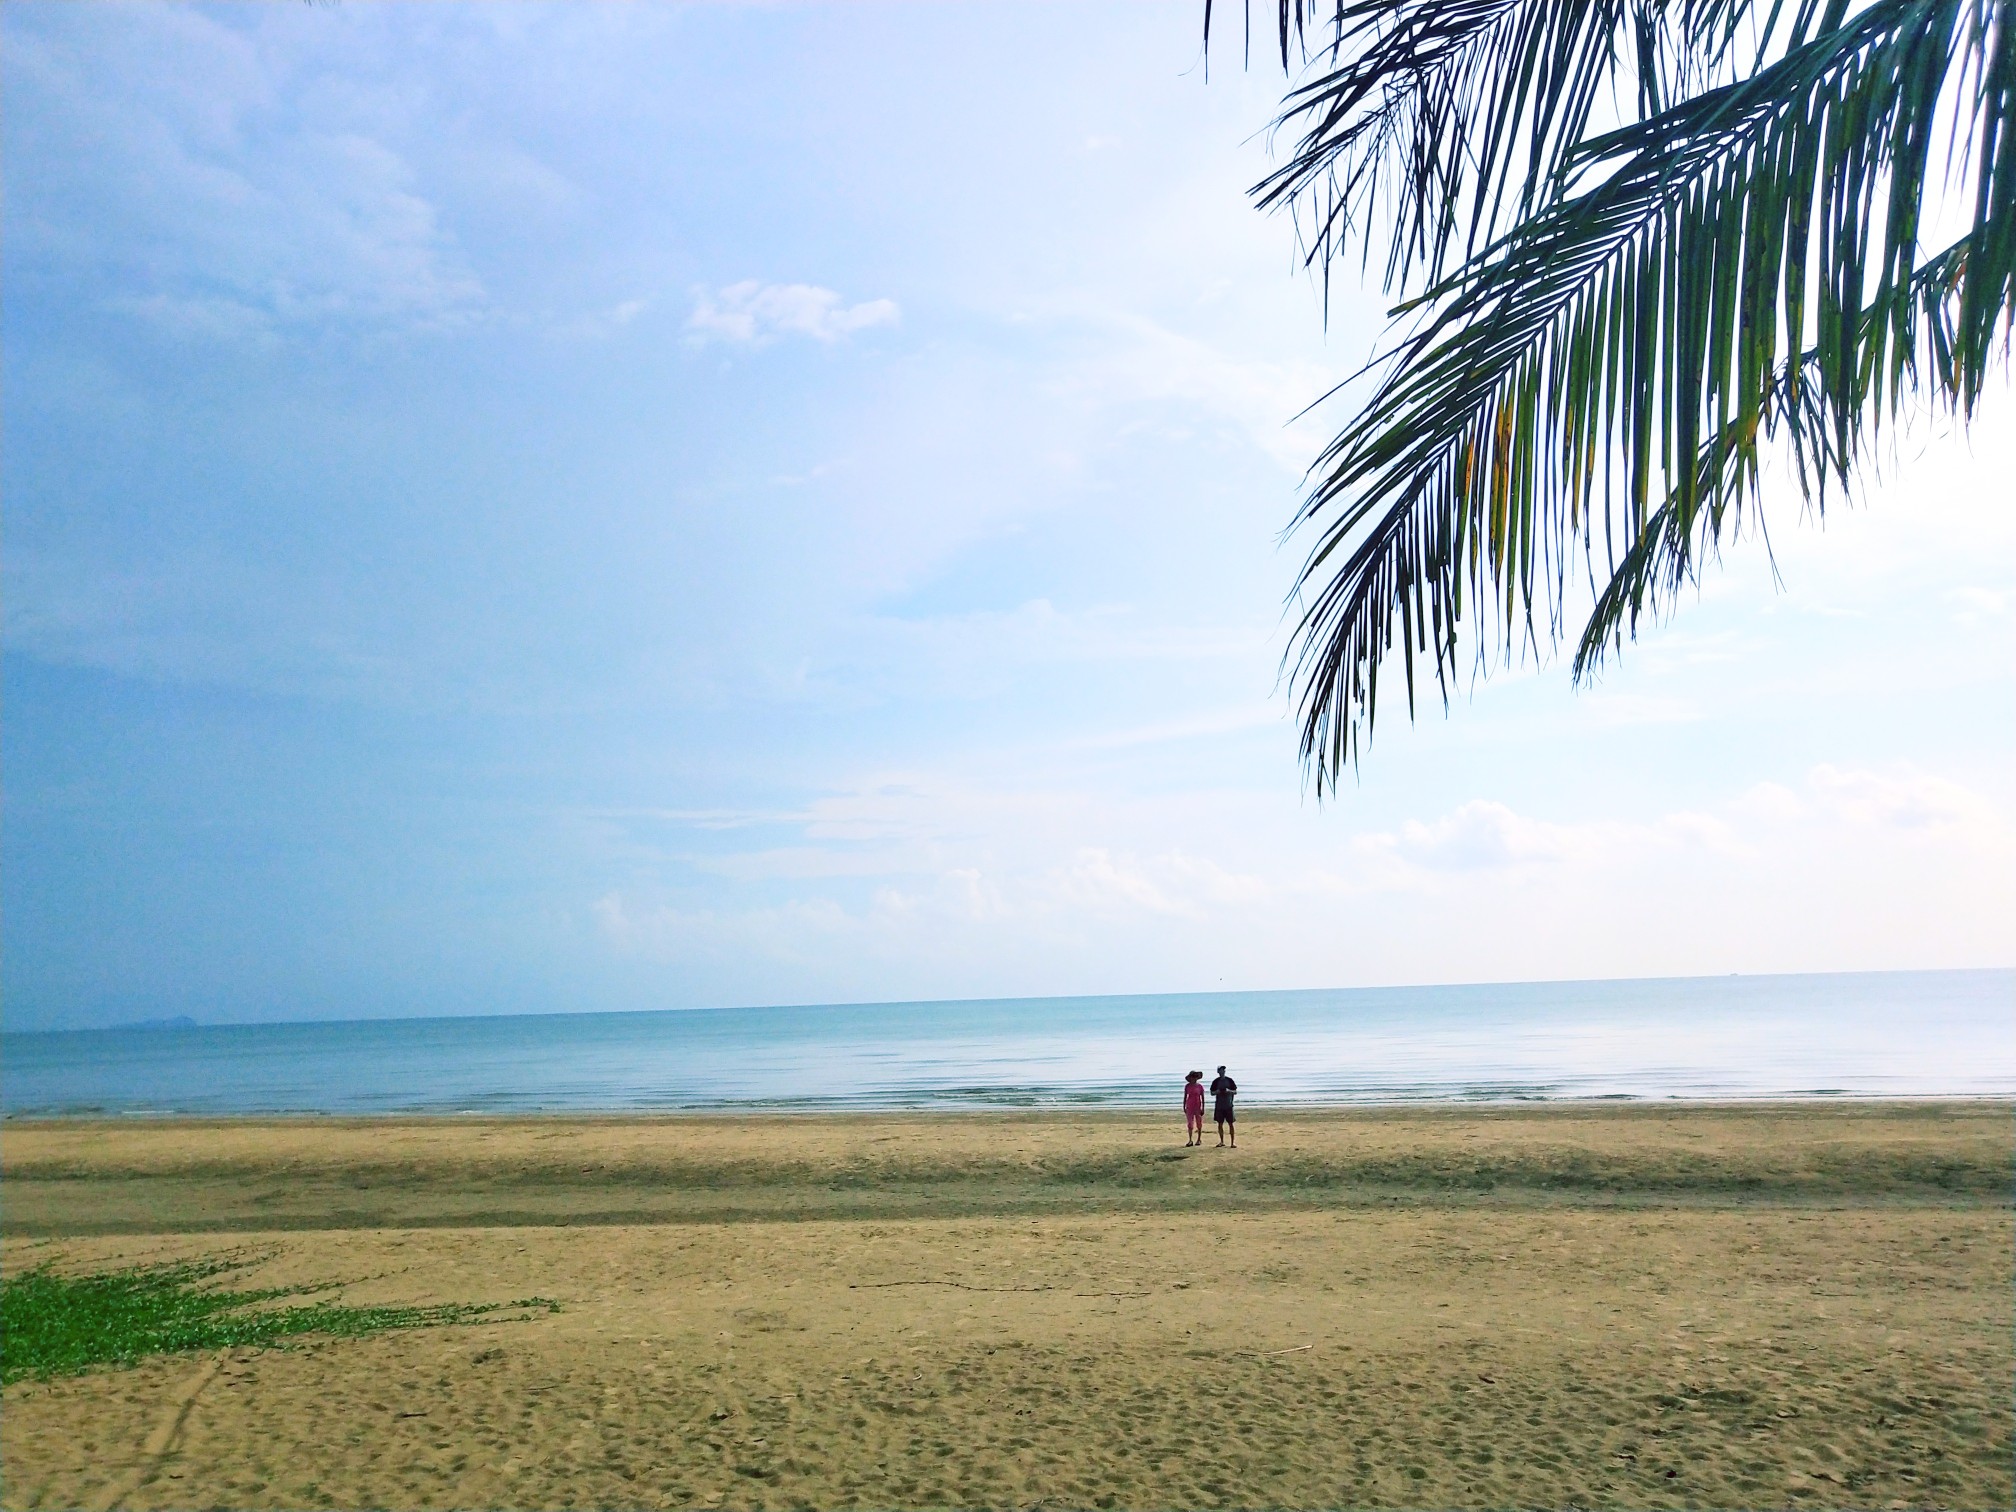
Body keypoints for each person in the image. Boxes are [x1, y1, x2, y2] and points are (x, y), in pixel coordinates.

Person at [1208, 1065, 1237, 1148]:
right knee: (1220, 1124)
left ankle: (1232, 1142)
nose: (1222, 1072)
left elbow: (1235, 1091)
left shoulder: (1230, 1080)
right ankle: (1221, 1141)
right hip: (1219, 1106)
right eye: (1220, 1070)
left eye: (1223, 1070)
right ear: (1218, 1072)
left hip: (1228, 1105)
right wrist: (1217, 1092)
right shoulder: (1216, 1081)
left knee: (1231, 1124)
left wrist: (1228, 1091)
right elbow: (1212, 1093)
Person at [1182, 1070, 1206, 1146]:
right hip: (1189, 1106)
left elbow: (1202, 1098)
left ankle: (1199, 1139)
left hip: (1198, 1106)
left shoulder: (1200, 1086)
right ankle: (1190, 1140)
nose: (1194, 1079)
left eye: (1195, 1077)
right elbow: (1185, 1097)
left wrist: (1203, 1108)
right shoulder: (1187, 1086)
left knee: (1199, 1123)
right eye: (1193, 1077)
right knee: (1190, 1124)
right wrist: (1184, 1106)